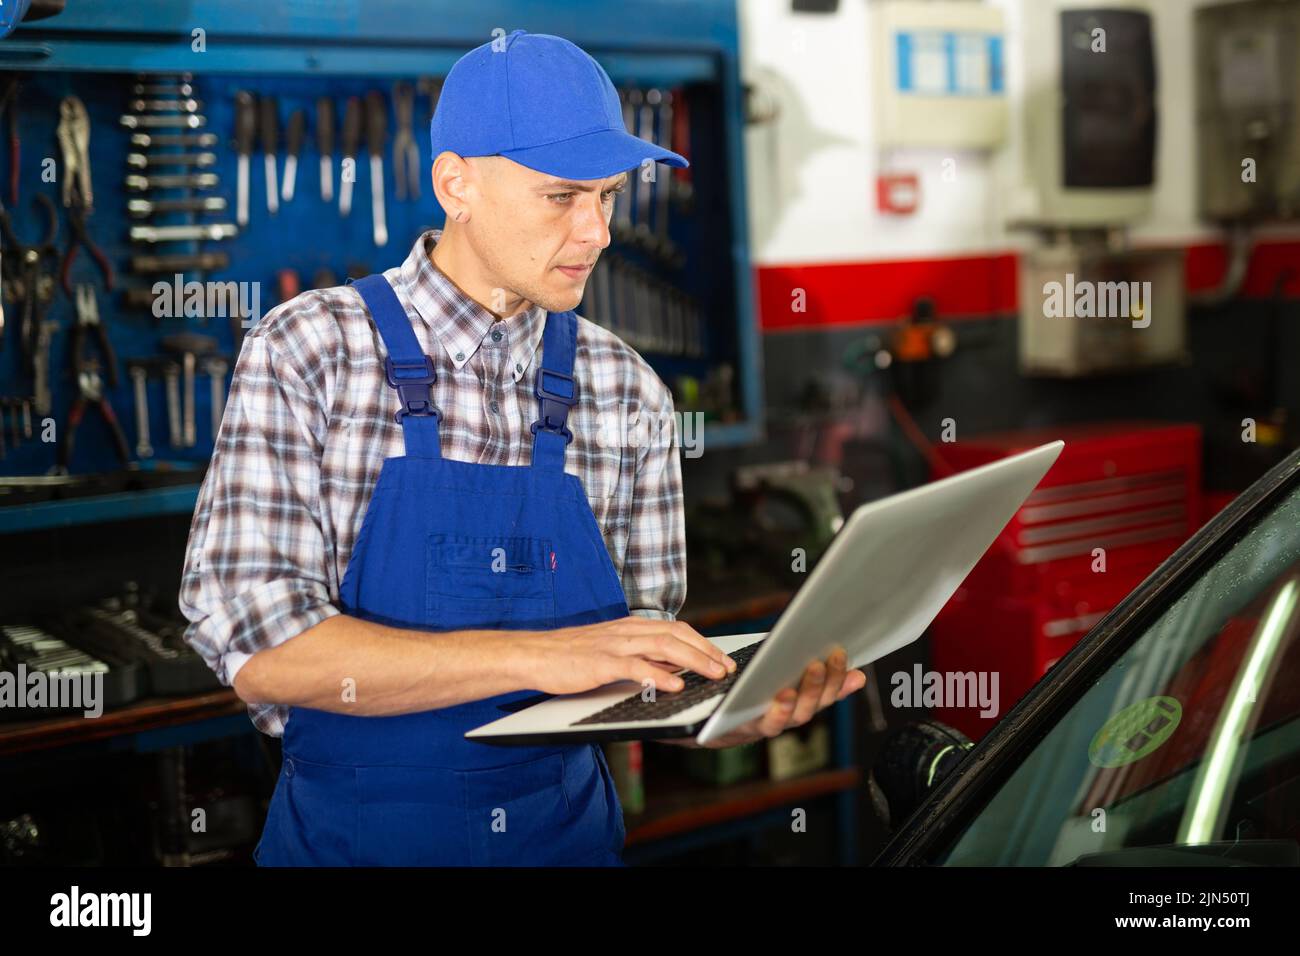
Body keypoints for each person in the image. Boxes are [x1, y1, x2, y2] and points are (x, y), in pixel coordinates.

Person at [180, 29, 865, 866]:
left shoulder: (627, 392)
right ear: (454, 182)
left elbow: (628, 677)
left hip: (565, 840)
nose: (598, 233)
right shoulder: (310, 351)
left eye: (608, 196)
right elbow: (261, 650)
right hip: (356, 841)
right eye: (561, 197)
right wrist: (548, 655)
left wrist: (728, 715)